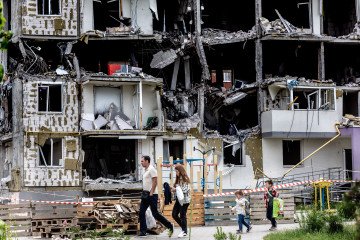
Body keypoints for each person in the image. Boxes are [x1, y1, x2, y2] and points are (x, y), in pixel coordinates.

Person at [138, 156, 174, 237]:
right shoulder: (145, 170)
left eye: (142, 161)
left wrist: (151, 192)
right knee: (141, 212)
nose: (141, 162)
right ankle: (143, 231)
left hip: (152, 195)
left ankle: (169, 226)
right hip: (145, 194)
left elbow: (155, 180)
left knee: (155, 214)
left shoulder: (152, 169)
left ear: (147, 161)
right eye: (141, 161)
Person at [171, 164, 191, 238]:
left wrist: (175, 189)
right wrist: (172, 189)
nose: (176, 172)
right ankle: (184, 228)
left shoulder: (185, 178)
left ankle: (184, 231)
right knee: (174, 214)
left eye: (176, 171)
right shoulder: (178, 179)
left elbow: (186, 189)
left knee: (182, 215)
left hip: (185, 200)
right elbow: (177, 189)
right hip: (179, 199)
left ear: (180, 171)